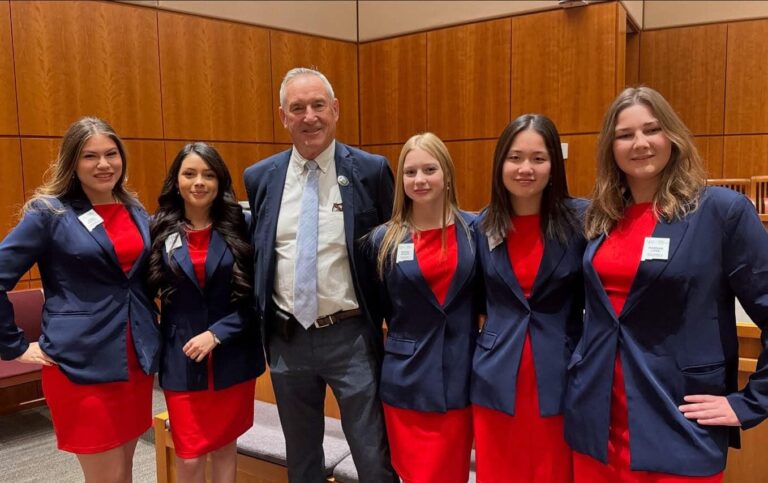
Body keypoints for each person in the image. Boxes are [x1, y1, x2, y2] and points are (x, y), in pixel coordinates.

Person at [565, 86, 768, 482]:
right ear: (610, 147)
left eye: (652, 129)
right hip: (597, 419)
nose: (639, 143)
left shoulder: (720, 211)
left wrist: (751, 402)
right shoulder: (600, 217)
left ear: (672, 136)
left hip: (677, 418)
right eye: (625, 135)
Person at [243, 67, 397, 483]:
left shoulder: (370, 170)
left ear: (336, 109)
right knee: (302, 458)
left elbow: (389, 253)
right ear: (283, 116)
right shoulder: (260, 177)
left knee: (373, 457)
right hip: (286, 338)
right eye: (297, 108)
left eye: (318, 105)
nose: (309, 117)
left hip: (351, 337)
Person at [0, 117, 160, 483]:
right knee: (106, 475)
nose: (104, 164)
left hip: (134, 360)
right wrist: (13, 346)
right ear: (72, 162)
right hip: (80, 363)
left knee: (125, 468)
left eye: (111, 154)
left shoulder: (134, 210)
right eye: (90, 156)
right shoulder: (50, 213)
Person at [471, 114, 586, 482]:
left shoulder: (581, 221)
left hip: (561, 376)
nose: (525, 169)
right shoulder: (482, 226)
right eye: (515, 157)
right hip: (495, 378)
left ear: (554, 166)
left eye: (538, 158)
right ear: (500, 164)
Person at [148, 143, 263, 483]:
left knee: (226, 448)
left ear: (220, 181)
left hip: (233, 355)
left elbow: (260, 295)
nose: (199, 182)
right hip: (182, 356)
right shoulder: (159, 228)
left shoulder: (242, 225)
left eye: (208, 175)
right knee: (189, 456)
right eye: (190, 174)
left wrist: (217, 333)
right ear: (177, 181)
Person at [369, 133, 477, 483]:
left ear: (447, 174)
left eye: (430, 169)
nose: (420, 179)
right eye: (410, 171)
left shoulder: (475, 231)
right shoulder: (383, 240)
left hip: (460, 376)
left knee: (452, 474)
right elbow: (381, 308)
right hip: (407, 380)